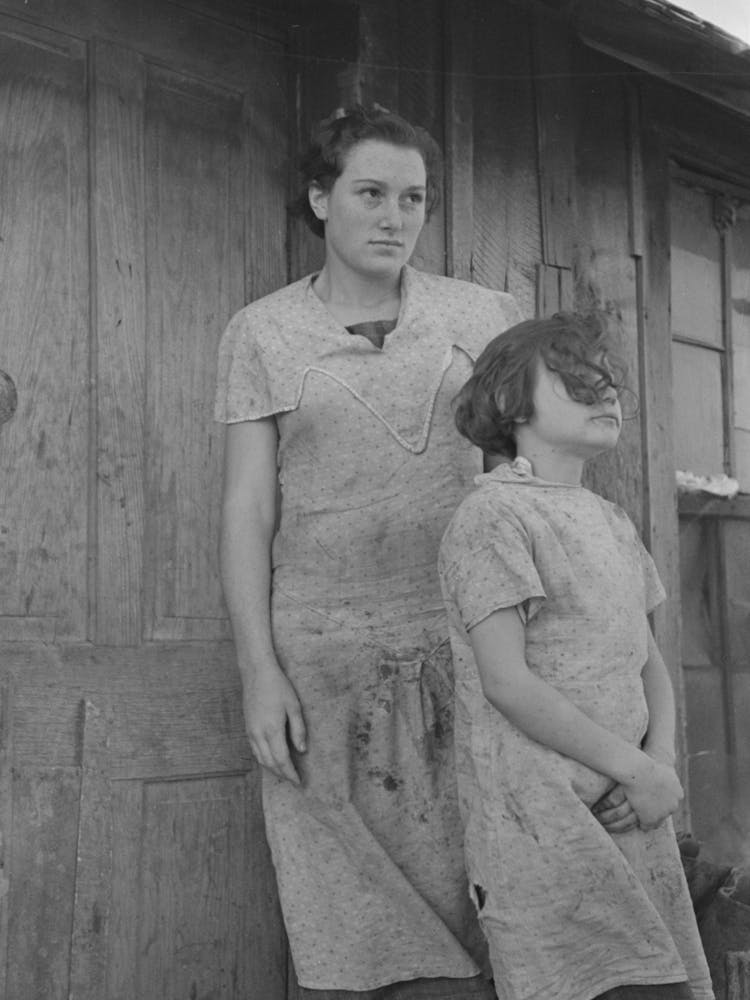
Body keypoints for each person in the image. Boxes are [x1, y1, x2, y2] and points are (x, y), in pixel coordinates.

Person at [214, 104, 522, 998]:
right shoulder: (262, 332)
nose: (395, 217)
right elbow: (247, 507)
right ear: (320, 198)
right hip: (323, 661)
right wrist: (257, 671)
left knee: (487, 891)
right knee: (351, 919)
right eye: (371, 193)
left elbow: (527, 474)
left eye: (414, 198)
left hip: (469, 644)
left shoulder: (482, 314)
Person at [438, 313, 715, 1000]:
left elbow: (647, 660)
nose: (604, 392)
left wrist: (662, 766)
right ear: (510, 404)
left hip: (632, 808)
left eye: (607, 381)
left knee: (658, 982)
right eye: (575, 380)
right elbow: (506, 682)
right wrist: (634, 767)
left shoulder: (610, 519)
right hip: (545, 820)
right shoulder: (493, 516)